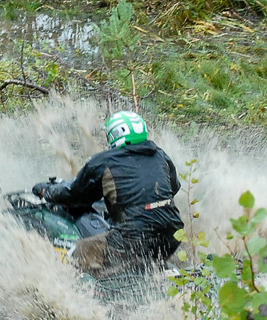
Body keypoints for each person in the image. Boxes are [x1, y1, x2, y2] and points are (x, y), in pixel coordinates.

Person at [32, 111, 184, 278]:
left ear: (114, 134)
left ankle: (98, 294)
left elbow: (75, 195)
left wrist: (47, 191)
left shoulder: (104, 161)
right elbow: (173, 187)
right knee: (139, 256)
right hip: (173, 233)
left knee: (82, 251)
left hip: (134, 236)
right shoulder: (160, 156)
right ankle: (151, 278)